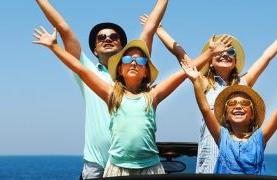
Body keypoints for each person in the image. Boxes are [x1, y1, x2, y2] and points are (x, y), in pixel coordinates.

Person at [32, 24, 231, 176]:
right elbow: (81, 69)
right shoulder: (111, 94)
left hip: (151, 168)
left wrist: (210, 53)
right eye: (127, 59)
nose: (134, 62)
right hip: (116, 168)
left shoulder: (152, 95)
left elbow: (185, 72)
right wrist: (54, 47)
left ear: (146, 71)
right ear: (120, 68)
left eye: (140, 60)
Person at [141, 16, 277, 173]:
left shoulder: (243, 83)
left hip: (239, 162)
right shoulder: (203, 83)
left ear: (235, 61)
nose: (225, 54)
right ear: (210, 61)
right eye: (219, 52)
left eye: (230, 51)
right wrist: (159, 30)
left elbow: (266, 58)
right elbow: (179, 53)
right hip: (210, 158)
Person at [35, 0, 168, 178]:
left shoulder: (134, 71)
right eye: (101, 37)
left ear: (123, 48)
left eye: (114, 37)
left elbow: (149, 28)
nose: (107, 39)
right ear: (95, 50)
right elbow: (63, 28)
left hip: (132, 164)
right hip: (96, 164)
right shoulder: (86, 70)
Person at [182, 62, 277, 174]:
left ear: (252, 115)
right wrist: (196, 81)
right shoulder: (221, 136)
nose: (238, 106)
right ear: (225, 116)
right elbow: (206, 109)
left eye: (244, 103)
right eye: (231, 104)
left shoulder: (259, 138)